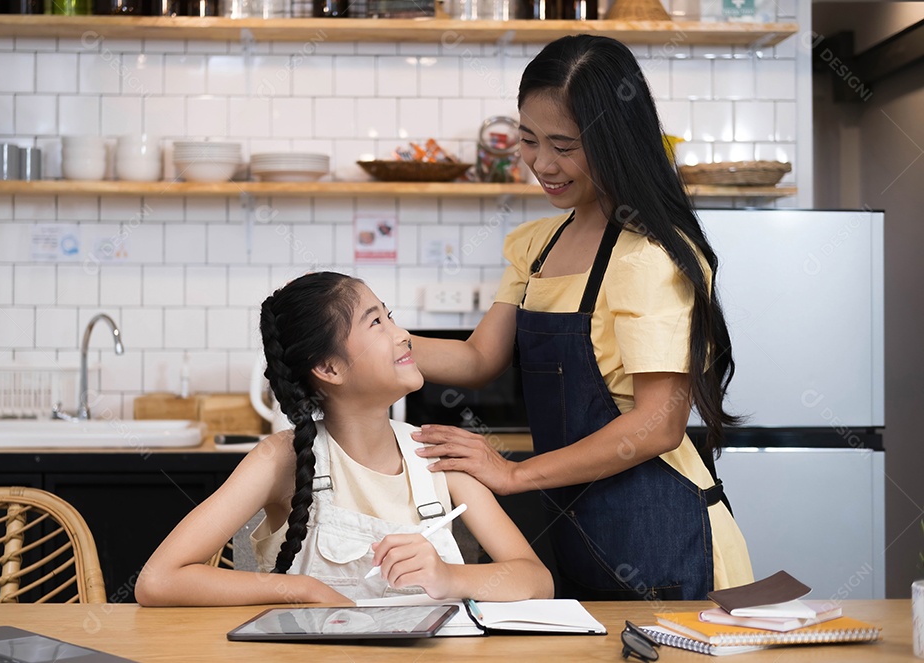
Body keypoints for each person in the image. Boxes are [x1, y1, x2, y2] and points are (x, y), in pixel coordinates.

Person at [409, 35, 754, 601]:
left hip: (658, 525)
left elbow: (659, 424)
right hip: (569, 521)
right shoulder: (537, 247)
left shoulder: (650, 255)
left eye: (564, 145)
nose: (542, 164)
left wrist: (516, 473)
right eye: (528, 139)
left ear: (614, 140)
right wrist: (359, 335)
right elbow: (477, 359)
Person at [135, 272, 552, 606]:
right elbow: (158, 580)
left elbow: (536, 582)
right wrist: (302, 590)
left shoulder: (435, 452)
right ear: (329, 369)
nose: (403, 334)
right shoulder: (280, 459)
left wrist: (448, 577)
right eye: (376, 322)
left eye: (389, 316)